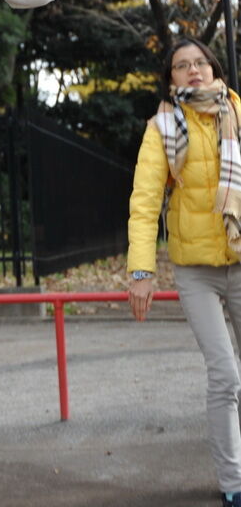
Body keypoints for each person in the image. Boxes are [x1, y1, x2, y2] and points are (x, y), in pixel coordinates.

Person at [127, 37, 241, 507]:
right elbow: (144, 200)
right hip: (195, 268)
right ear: (171, 78)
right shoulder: (163, 128)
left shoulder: (238, 113)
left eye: (200, 62)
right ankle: (234, 483)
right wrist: (140, 271)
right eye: (181, 66)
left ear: (214, 69)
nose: (193, 70)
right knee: (225, 375)